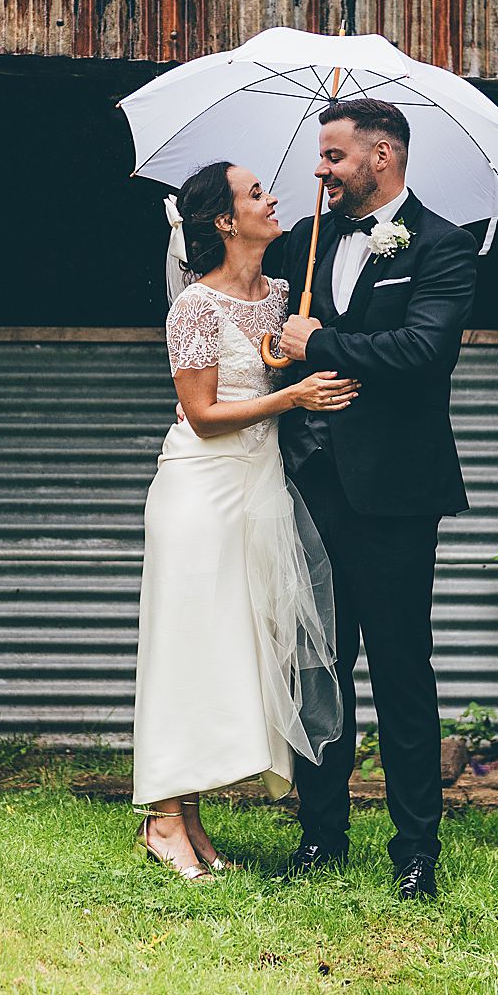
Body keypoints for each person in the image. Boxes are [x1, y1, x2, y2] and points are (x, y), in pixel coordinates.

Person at [271, 96, 477, 902]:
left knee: (400, 669)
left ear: (381, 155)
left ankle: (416, 849)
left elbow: (423, 350)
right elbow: (265, 329)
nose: (319, 170)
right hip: (309, 485)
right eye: (322, 156)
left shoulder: (442, 247)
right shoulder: (304, 241)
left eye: (333, 157)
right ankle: (321, 835)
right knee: (317, 666)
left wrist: (318, 342)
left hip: (394, 492)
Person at [131, 161, 356, 880]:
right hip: (201, 492)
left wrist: (307, 337)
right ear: (225, 222)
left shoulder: (288, 294)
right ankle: (162, 819)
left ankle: (190, 816)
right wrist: (292, 400)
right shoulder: (194, 306)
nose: (272, 198)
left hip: (262, 490)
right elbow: (200, 415)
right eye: (256, 193)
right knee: (186, 645)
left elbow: (288, 355)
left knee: (229, 646)